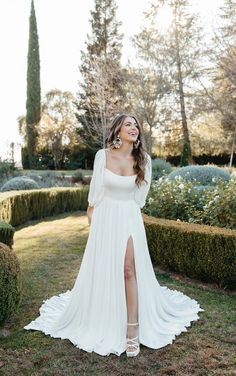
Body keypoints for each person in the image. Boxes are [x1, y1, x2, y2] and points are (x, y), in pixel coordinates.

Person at [24, 113, 204, 357]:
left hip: (129, 217)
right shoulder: (102, 156)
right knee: (107, 269)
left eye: (136, 125)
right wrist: (93, 223)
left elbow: (139, 199)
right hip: (105, 219)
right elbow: (95, 196)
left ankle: (132, 329)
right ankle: (104, 316)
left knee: (129, 269)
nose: (133, 128)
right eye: (127, 124)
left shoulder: (144, 160)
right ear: (117, 131)